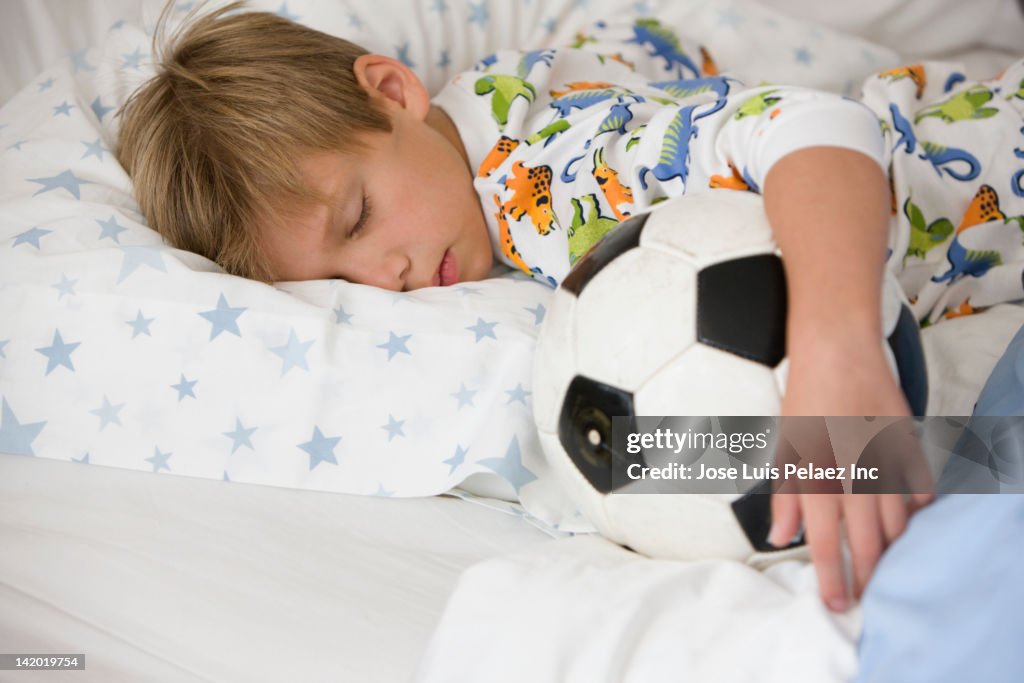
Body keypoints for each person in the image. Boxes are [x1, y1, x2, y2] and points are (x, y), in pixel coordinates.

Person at [116, 2, 1024, 612]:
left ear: (393, 90)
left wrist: (834, 343)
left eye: (358, 216)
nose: (383, 274)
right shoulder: (511, 103)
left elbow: (817, 127)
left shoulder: (549, 168)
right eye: (337, 284)